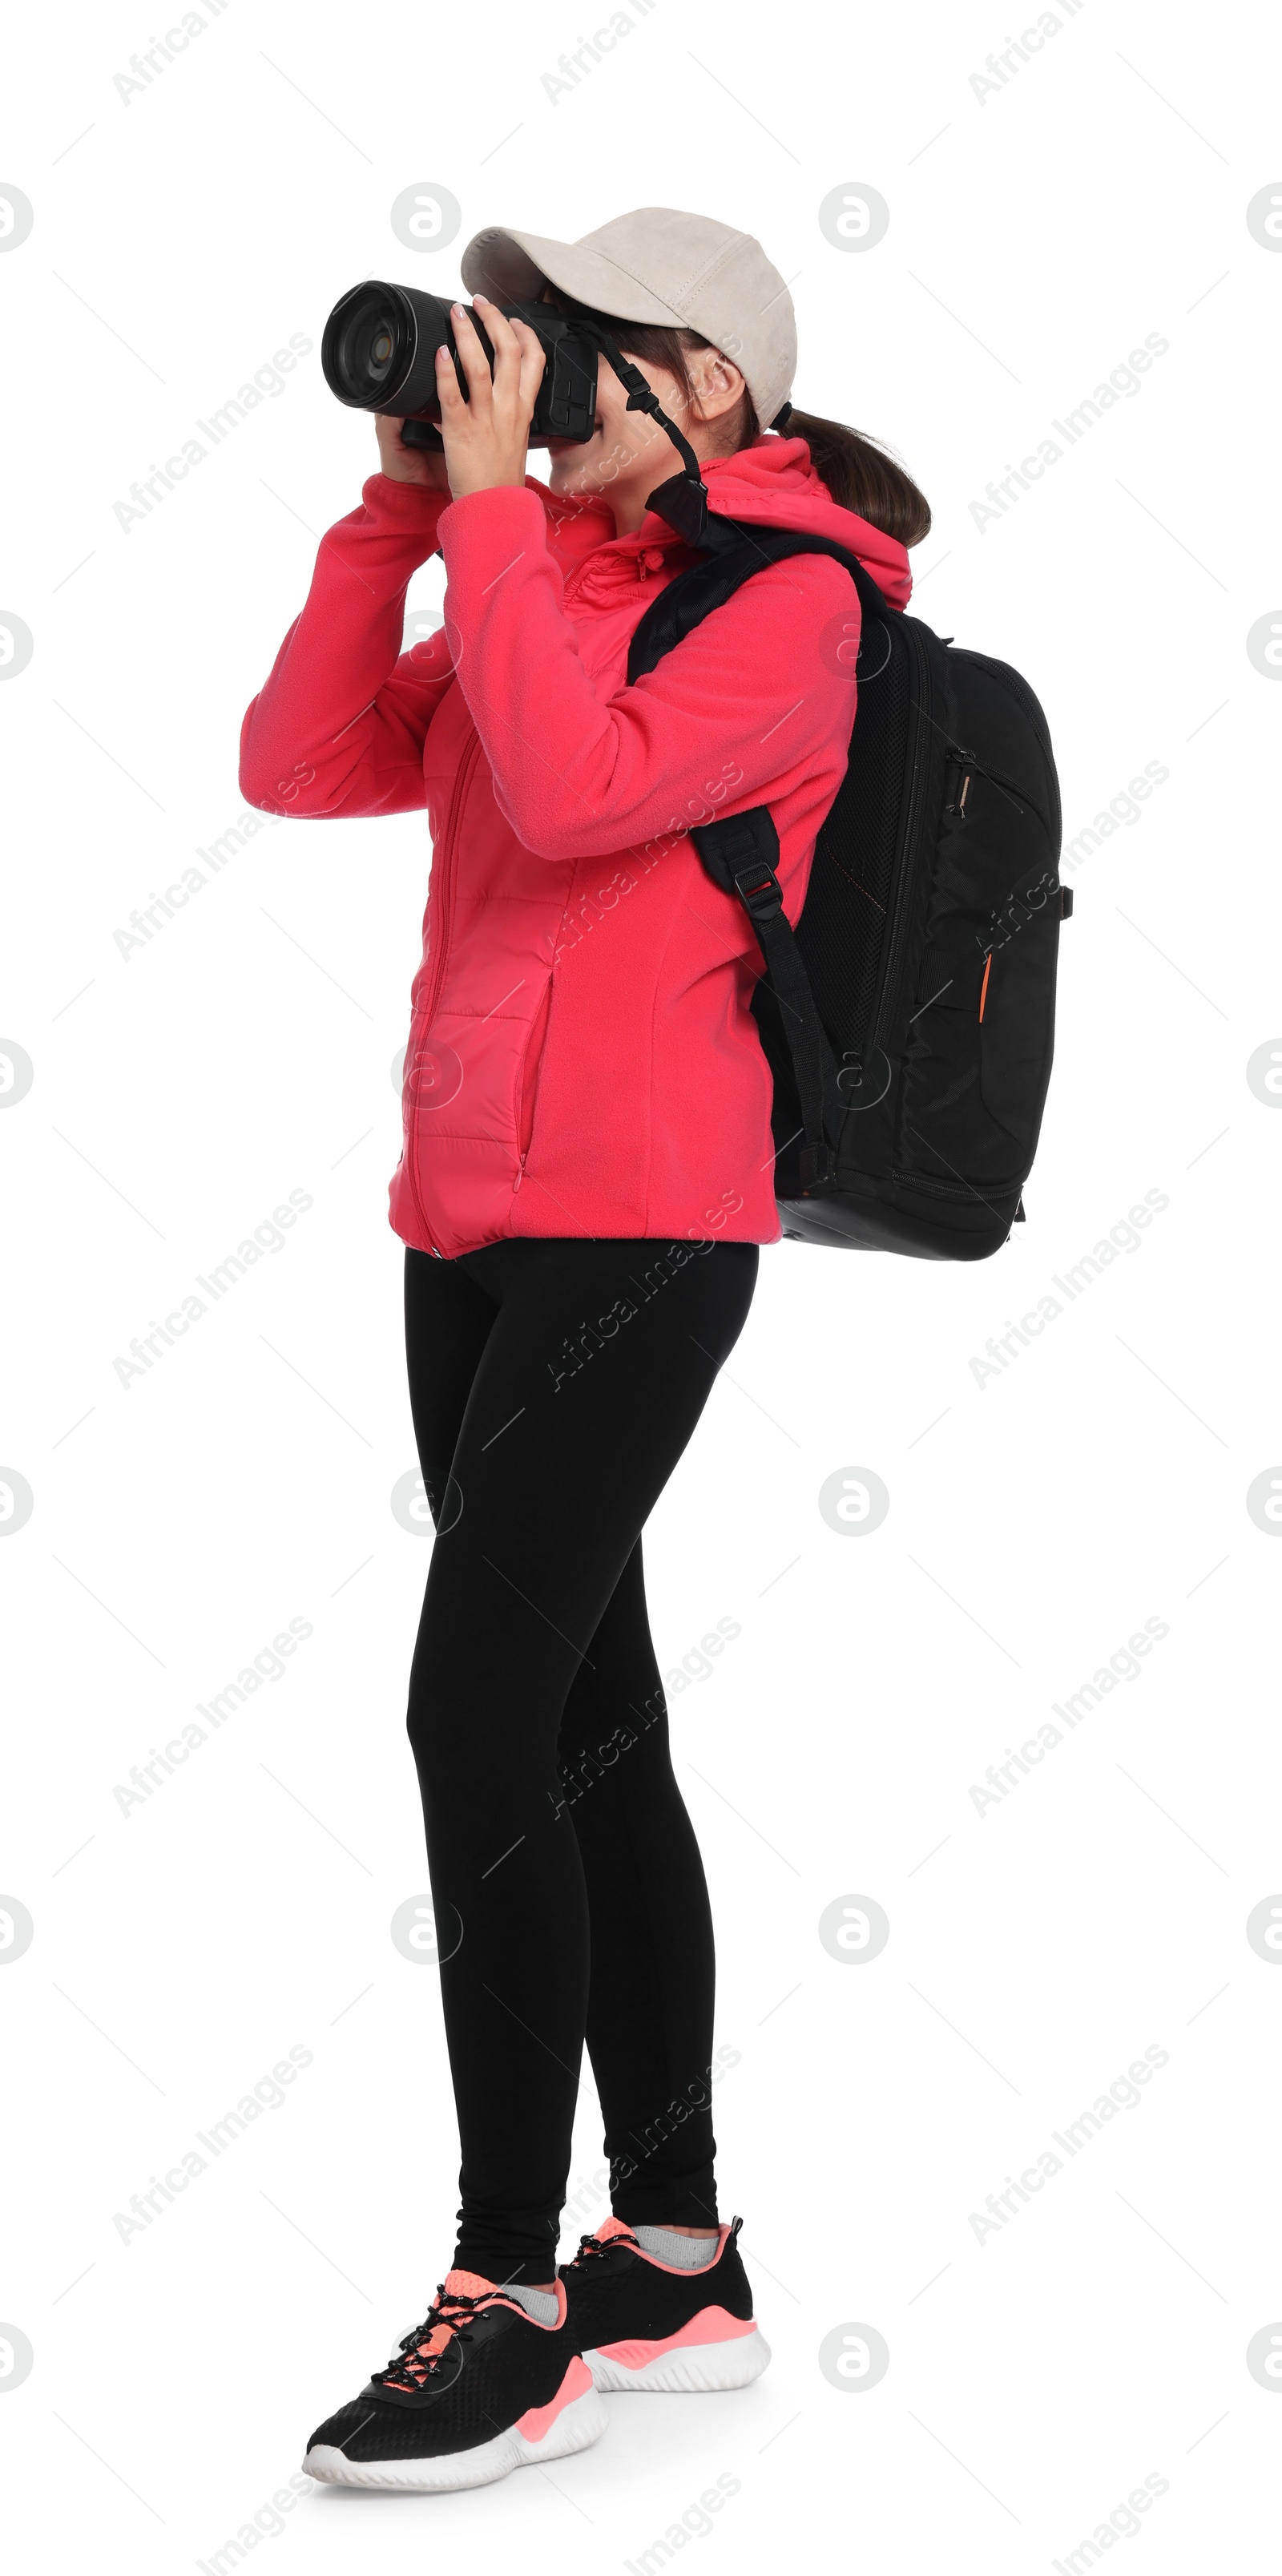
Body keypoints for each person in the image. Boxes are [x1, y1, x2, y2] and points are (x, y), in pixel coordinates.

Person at [239, 205, 929, 2494]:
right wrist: (401, 508)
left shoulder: (793, 606)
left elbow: (565, 790)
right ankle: (677, 2251)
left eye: (565, 354)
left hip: (642, 1225)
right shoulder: (565, 582)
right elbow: (306, 755)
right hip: (473, 1220)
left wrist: (505, 541)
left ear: (711, 389)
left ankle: (511, 2296)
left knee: (473, 1712)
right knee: (592, 1726)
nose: (517, 380)